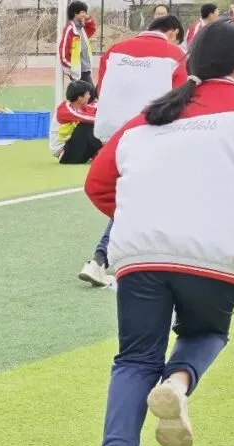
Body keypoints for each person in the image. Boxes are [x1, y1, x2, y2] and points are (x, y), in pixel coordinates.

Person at [84, 19, 234, 446]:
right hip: (213, 256)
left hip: (140, 254)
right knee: (207, 332)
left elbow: (98, 185)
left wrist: (149, 213)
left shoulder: (146, 119)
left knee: (134, 359)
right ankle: (178, 385)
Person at [78, 15, 187, 287]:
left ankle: (104, 259)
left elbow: (102, 89)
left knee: (133, 194)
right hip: (152, 132)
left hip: (112, 134)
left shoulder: (114, 50)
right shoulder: (176, 55)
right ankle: (101, 258)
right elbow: (182, 97)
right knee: (143, 197)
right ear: (173, 32)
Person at [52, 80, 100, 164]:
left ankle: (101, 155)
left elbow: (95, 108)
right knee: (87, 126)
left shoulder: (82, 107)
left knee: (98, 127)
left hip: (76, 148)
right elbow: (89, 118)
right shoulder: (64, 109)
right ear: (80, 98)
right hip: (63, 152)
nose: (89, 96)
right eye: (87, 94)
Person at [59, 2, 99, 97]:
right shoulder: (70, 29)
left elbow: (92, 28)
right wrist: (72, 68)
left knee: (89, 96)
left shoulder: (81, 29)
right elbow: (64, 52)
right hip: (78, 71)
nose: (85, 14)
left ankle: (81, 109)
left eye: (86, 12)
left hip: (85, 70)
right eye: (83, 12)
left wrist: (88, 18)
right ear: (75, 13)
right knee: (91, 96)